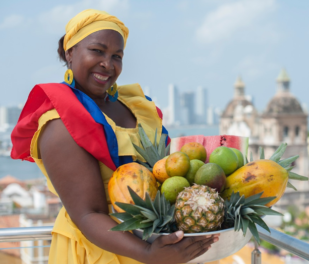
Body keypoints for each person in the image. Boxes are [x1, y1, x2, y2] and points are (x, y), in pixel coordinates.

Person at [11, 9, 218, 264]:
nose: (108, 64)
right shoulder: (60, 125)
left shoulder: (135, 108)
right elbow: (88, 214)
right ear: (70, 53)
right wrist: (147, 254)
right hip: (101, 251)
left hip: (157, 247)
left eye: (116, 56)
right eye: (97, 51)